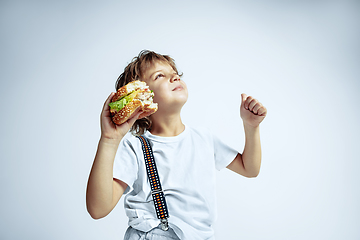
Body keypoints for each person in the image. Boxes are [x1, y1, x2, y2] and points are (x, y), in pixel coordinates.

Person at [86, 50, 267, 240]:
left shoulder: (204, 138)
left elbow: (250, 169)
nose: (174, 77)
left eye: (175, 73)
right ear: (140, 96)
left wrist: (251, 126)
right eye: (160, 76)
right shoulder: (136, 148)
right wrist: (109, 140)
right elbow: (98, 209)